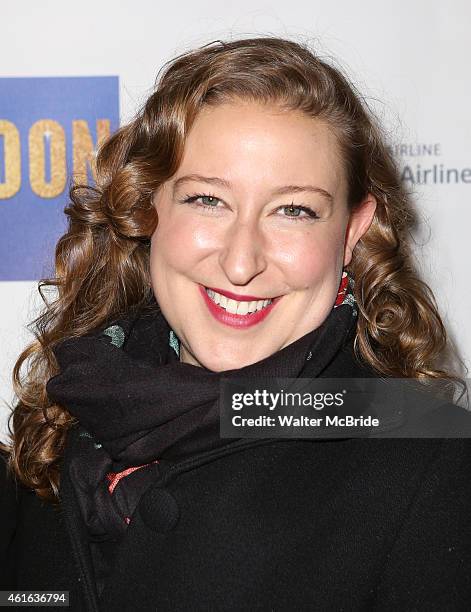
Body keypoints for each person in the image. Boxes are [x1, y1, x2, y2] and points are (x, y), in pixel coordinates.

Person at [1, 36, 470, 611]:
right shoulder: (60, 427)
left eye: (293, 211)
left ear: (350, 233)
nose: (241, 262)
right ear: (148, 206)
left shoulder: (433, 468)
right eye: (207, 200)